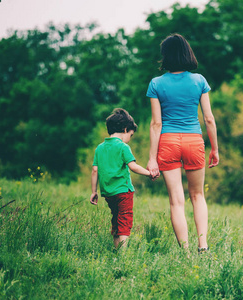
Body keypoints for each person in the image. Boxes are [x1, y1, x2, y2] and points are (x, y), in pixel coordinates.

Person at [146, 33, 219, 254]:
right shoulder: (199, 81)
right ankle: (203, 246)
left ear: (165, 56)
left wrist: (151, 159)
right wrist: (215, 148)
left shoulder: (156, 83)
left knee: (176, 201)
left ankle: (185, 251)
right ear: (187, 52)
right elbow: (208, 118)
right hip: (193, 141)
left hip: (167, 142)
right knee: (197, 195)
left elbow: (156, 123)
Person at [90, 108, 152, 249]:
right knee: (124, 219)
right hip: (123, 192)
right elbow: (133, 166)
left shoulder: (99, 148)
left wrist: (94, 191)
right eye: (130, 135)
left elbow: (95, 170)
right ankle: (123, 254)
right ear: (125, 130)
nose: (129, 139)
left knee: (116, 219)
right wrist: (149, 173)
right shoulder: (123, 147)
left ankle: (117, 248)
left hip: (108, 193)